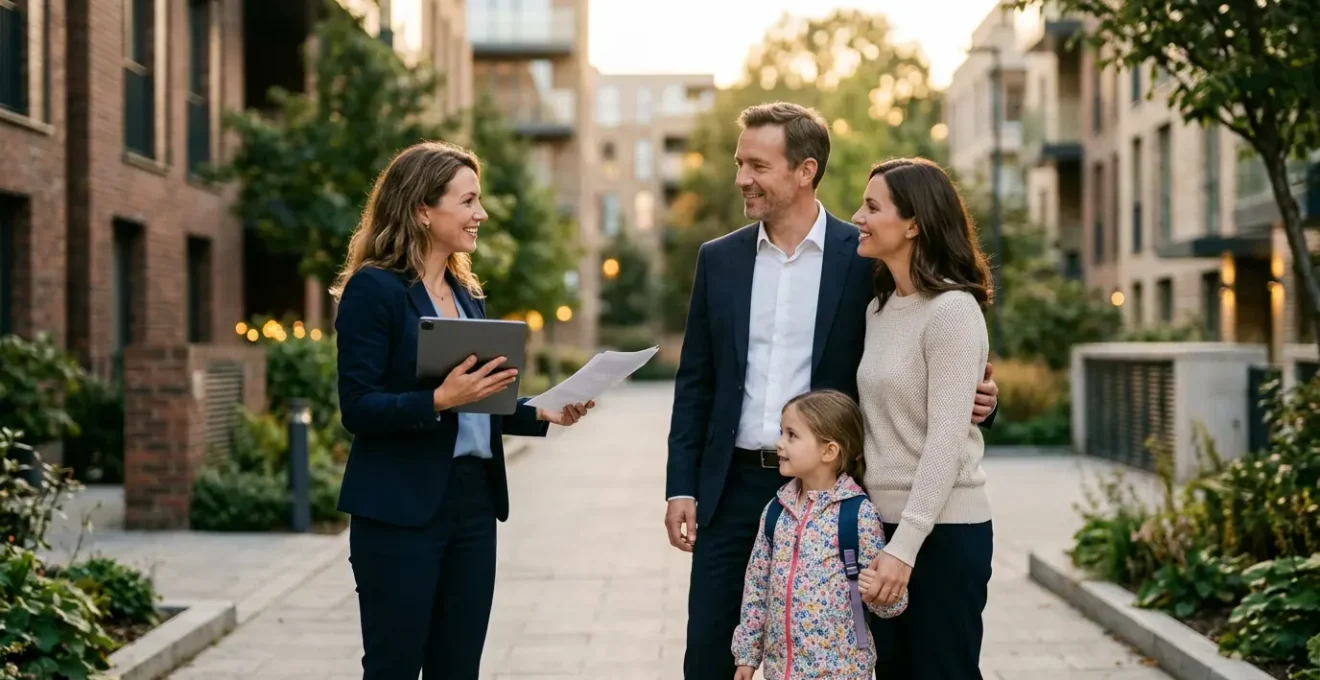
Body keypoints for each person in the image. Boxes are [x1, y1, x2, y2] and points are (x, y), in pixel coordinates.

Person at [664, 101, 1000, 680]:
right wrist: (681, 486)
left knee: (831, 660)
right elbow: (696, 381)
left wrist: (984, 400)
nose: (742, 177)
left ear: (805, 170)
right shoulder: (719, 260)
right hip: (732, 487)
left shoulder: (866, 258)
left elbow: (940, 349)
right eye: (739, 162)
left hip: (837, 497)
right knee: (713, 656)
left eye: (757, 165)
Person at [330, 141, 594, 680]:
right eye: (469, 201)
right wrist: (437, 401)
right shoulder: (374, 290)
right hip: (399, 512)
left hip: (473, 506)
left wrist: (542, 413)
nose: (482, 214)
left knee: (459, 668)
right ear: (423, 209)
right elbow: (357, 407)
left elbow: (483, 400)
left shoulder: (465, 293)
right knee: (394, 667)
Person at [851, 157, 995, 680]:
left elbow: (945, 440)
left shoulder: (953, 311)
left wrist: (904, 548)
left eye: (872, 206)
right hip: (882, 528)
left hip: (943, 534)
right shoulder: (879, 310)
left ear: (913, 224)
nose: (858, 217)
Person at [731, 390, 907, 680]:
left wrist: (879, 592)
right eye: (781, 432)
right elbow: (756, 589)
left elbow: (891, 602)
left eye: (791, 435)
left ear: (829, 451)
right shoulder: (776, 511)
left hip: (842, 671)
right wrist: (747, 657)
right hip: (781, 671)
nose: (779, 443)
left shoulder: (857, 515)